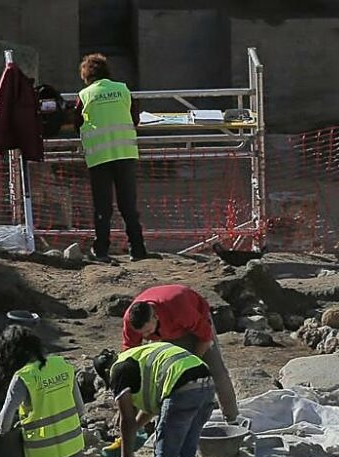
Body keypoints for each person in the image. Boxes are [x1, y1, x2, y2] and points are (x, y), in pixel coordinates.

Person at [0, 326, 86, 457]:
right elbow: (80, 409)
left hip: (46, 453)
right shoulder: (62, 365)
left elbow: (2, 427)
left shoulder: (23, 377)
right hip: (74, 445)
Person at [123, 284, 238, 423]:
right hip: (165, 333)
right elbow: (130, 353)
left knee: (215, 372)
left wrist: (193, 364)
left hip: (195, 326)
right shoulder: (131, 320)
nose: (146, 336)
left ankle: (232, 419)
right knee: (159, 380)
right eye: (142, 334)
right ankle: (143, 425)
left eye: (147, 331)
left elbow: (205, 336)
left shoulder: (179, 308)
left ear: (155, 316)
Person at [74, 52, 148, 263]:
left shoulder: (84, 95)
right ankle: (138, 250)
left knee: (103, 207)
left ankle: (101, 251)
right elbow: (134, 118)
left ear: (86, 75)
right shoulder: (123, 89)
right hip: (125, 154)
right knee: (128, 206)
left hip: (99, 157)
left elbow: (77, 122)